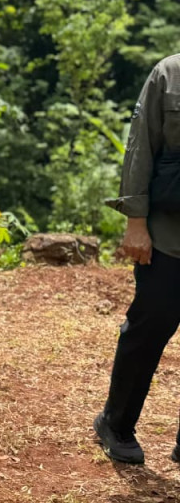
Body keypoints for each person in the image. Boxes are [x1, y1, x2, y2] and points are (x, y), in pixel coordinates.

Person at [95, 52, 180, 465]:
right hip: (168, 233)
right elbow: (140, 147)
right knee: (148, 330)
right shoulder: (169, 73)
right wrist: (135, 222)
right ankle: (116, 423)